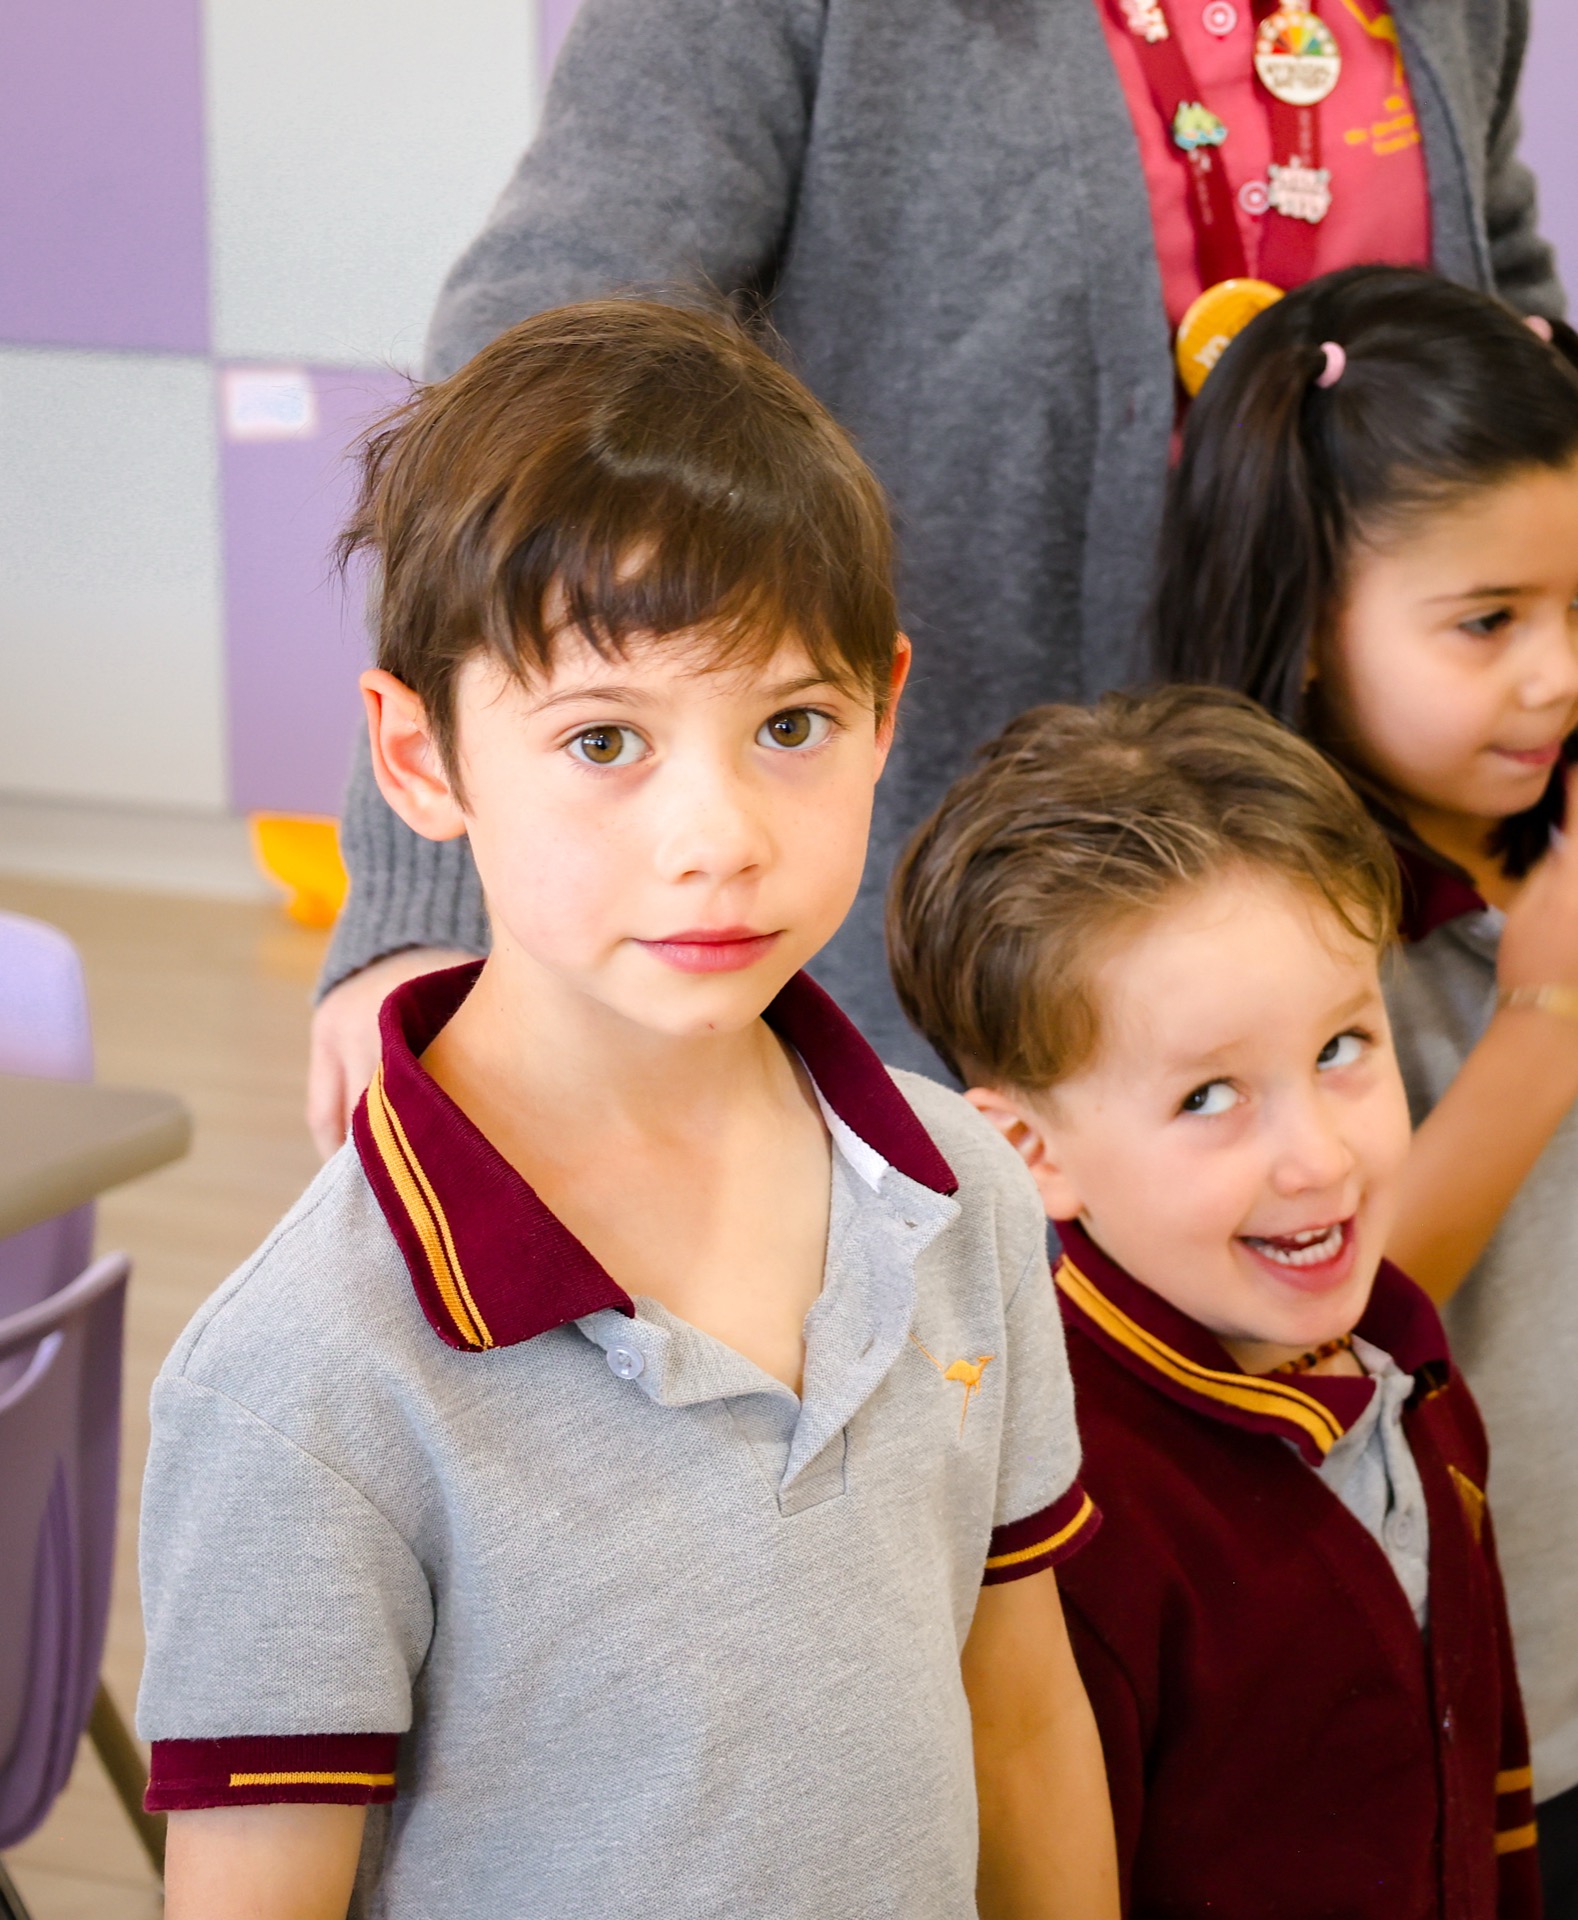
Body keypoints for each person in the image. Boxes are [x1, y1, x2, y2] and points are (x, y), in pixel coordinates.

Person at [135, 301, 1118, 1920]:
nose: (714, 834)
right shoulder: (301, 1377)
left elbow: (1016, 1719)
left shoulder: (963, 1191)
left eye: (787, 728)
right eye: (603, 739)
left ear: (885, 709)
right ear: (420, 755)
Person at [305, 0, 1565, 1149]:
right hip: (941, 919)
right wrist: (426, 914)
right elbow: (520, 403)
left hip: (1344, 892)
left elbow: (1509, 319)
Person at [888, 685, 1540, 1918]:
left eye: (1343, 1049)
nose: (1319, 1160)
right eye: (1209, 1098)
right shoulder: (1059, 1530)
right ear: (1029, 1153)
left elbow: (1483, 1784)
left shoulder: (1408, 1372)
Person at [1152, 263, 1578, 1914]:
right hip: (1479, 1697)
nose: (1552, 677)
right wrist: (1541, 1013)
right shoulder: (1275, 946)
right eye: (1485, 624)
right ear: (1302, 616)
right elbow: (1338, 1301)